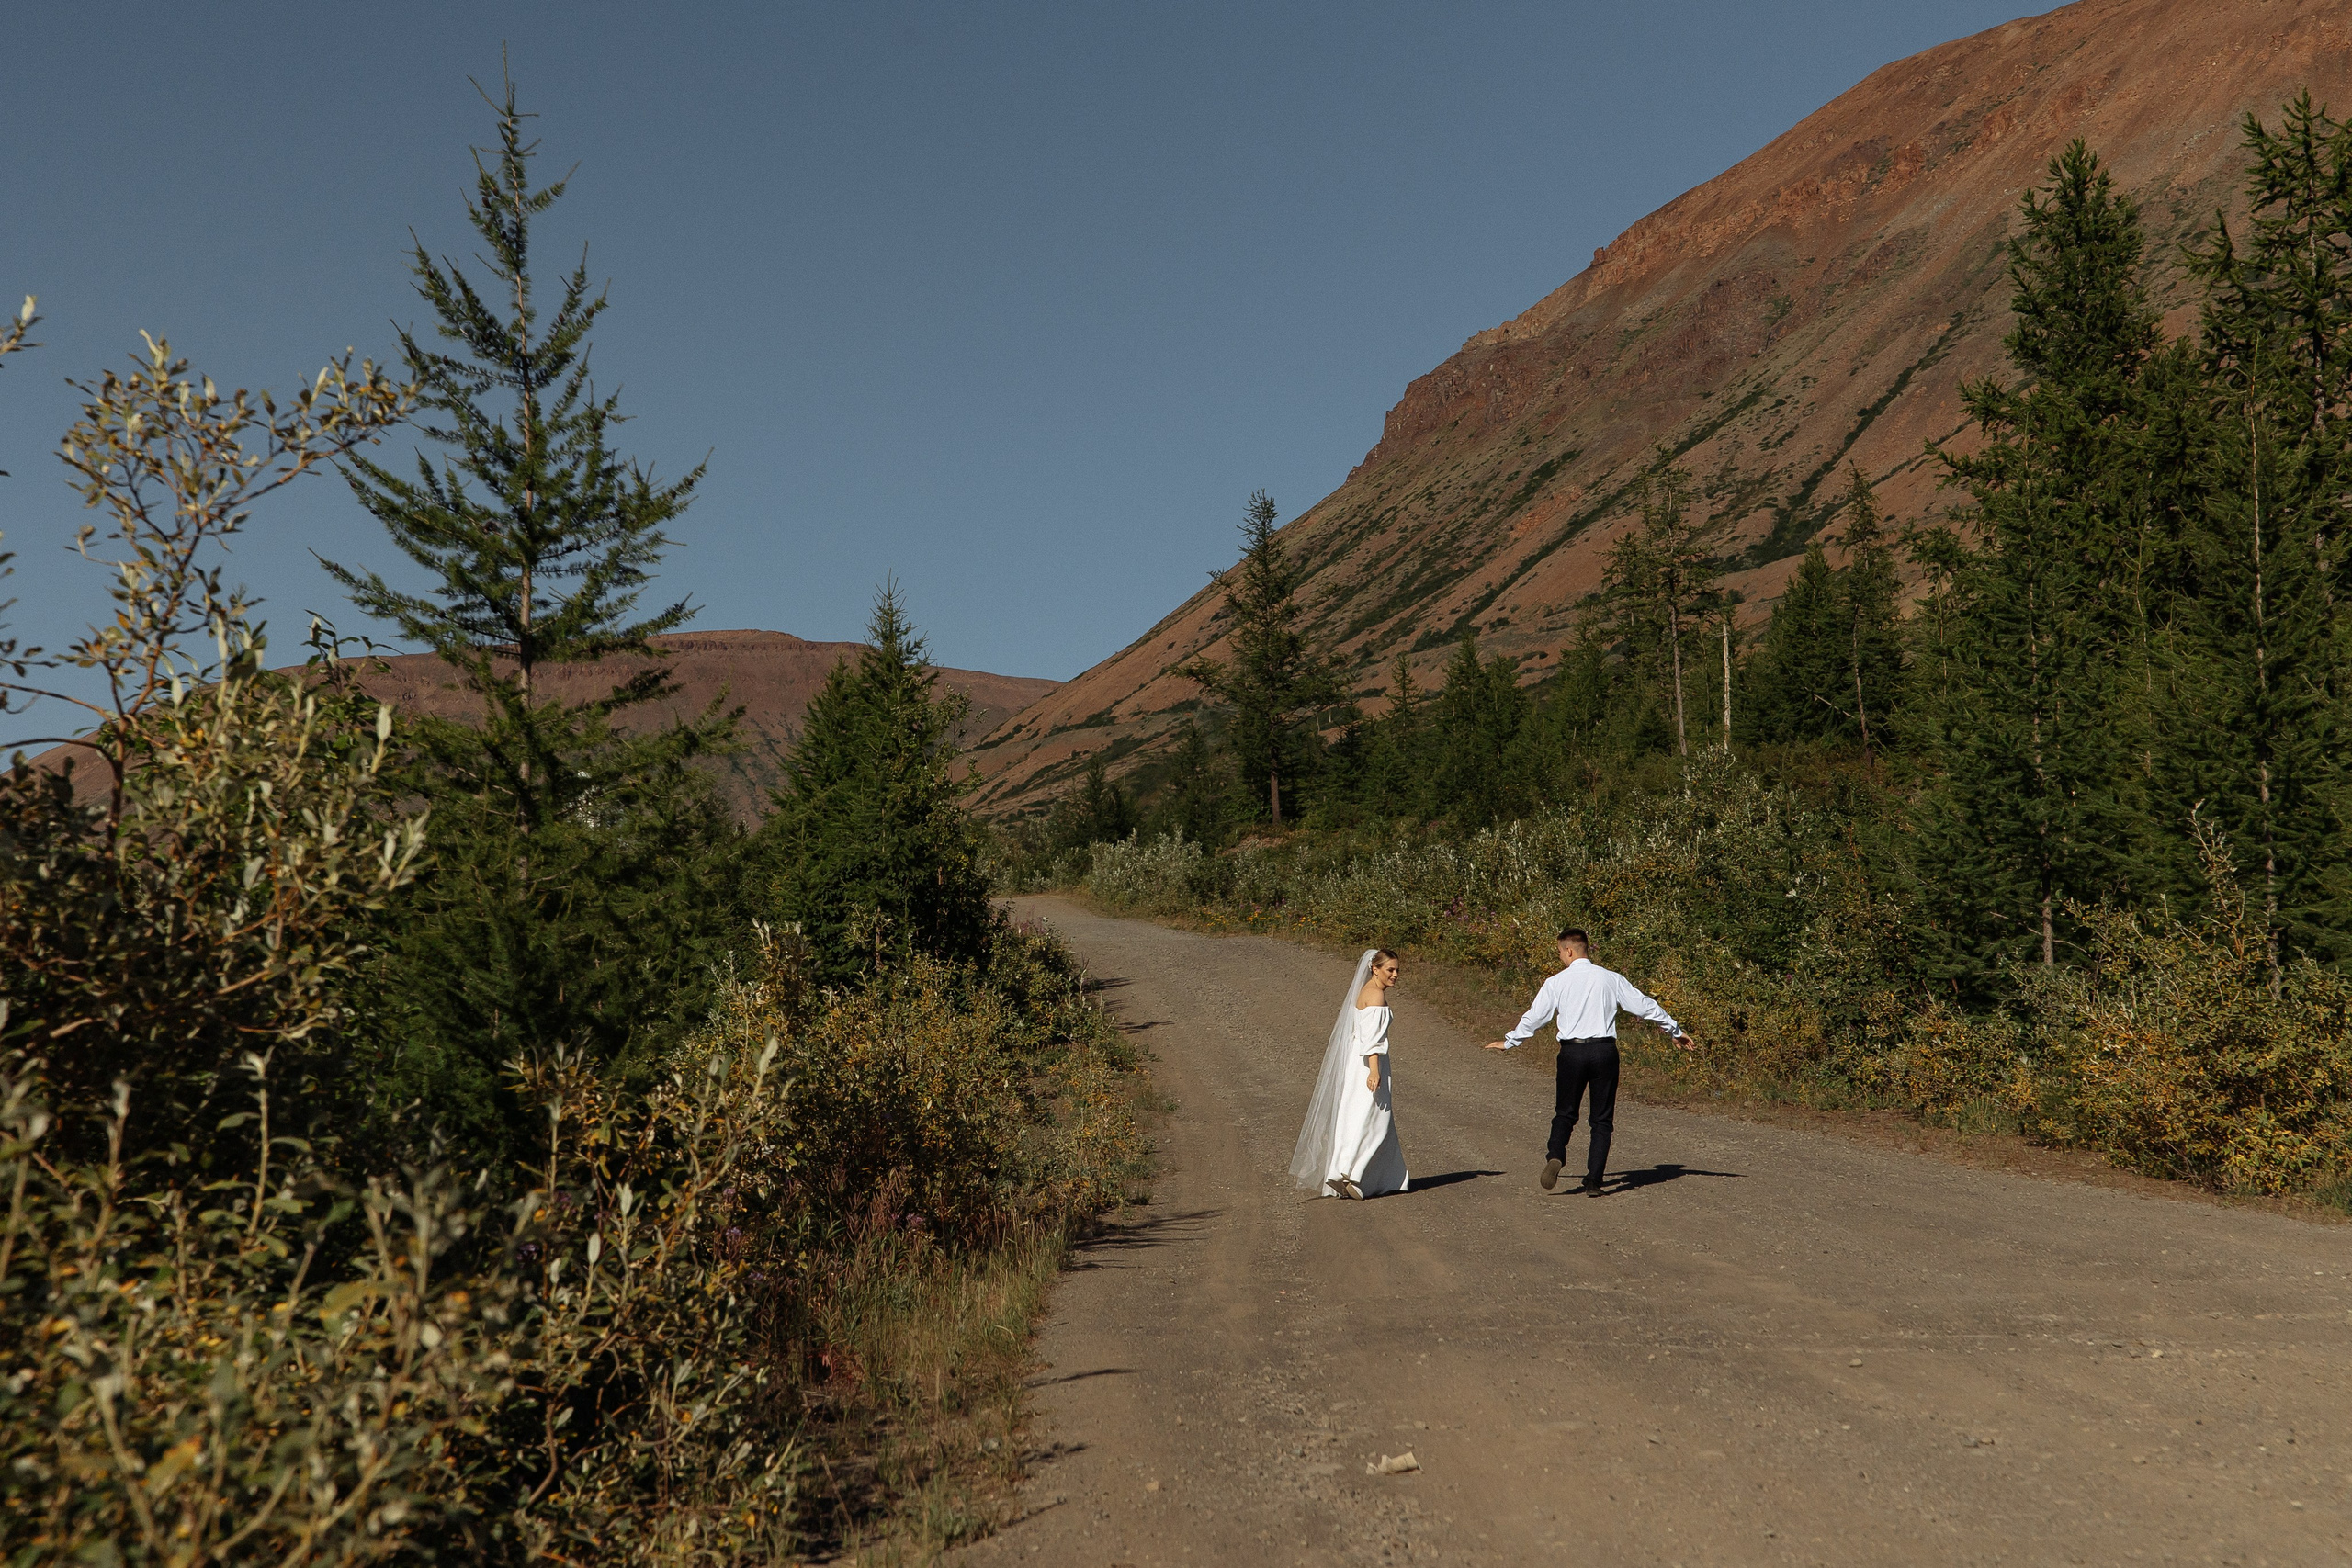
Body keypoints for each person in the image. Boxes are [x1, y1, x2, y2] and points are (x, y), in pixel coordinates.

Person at [1484, 928, 1693, 1195]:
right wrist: (1674, 1030)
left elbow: (1535, 1017)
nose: (1560, 957)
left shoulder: (1556, 982)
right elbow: (1644, 1006)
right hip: (1604, 1051)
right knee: (1601, 1120)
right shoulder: (1610, 978)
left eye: (1560, 952)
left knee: (1565, 1112)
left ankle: (1556, 1154)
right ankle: (1594, 1181)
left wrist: (1510, 1041)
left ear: (1569, 950)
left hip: (1572, 1053)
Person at [1291, 948, 1410, 1199]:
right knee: (1375, 1119)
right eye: (1390, 969)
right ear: (1375, 969)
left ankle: (1346, 1171)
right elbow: (1372, 1040)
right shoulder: (1375, 996)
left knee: (1355, 1115)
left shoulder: (1365, 991)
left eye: (1397, 969)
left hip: (1357, 1063)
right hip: (1369, 1064)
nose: (1396, 974)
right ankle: (1354, 1175)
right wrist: (1375, 1071)